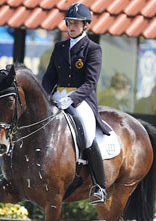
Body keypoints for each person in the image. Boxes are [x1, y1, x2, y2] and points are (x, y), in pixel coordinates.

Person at [42, 3, 110, 205]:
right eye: (69, 23)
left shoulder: (93, 49)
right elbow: (48, 78)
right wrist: (46, 95)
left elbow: (90, 82)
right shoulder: (59, 47)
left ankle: (99, 186)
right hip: (57, 97)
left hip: (81, 100)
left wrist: (71, 98)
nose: (70, 27)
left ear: (85, 25)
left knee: (87, 134)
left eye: (75, 23)